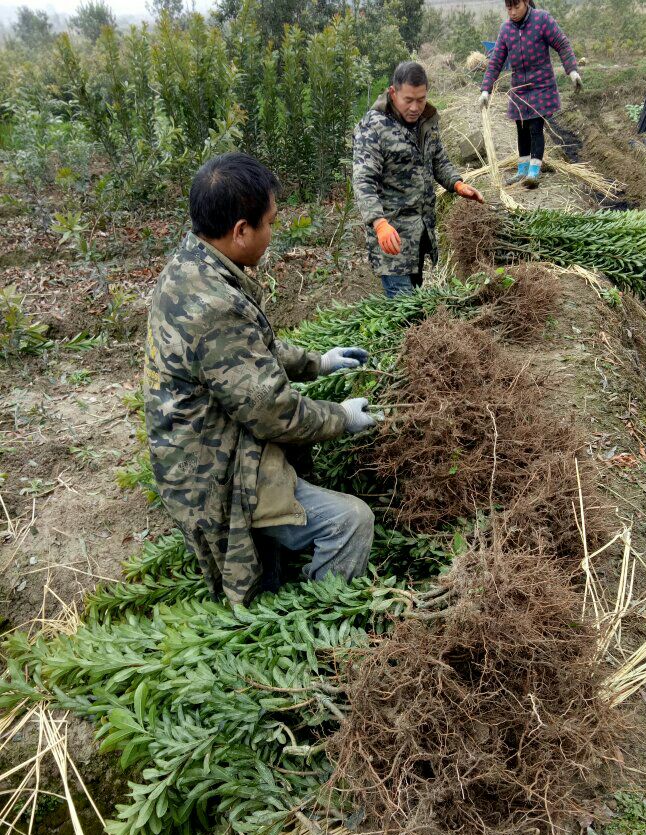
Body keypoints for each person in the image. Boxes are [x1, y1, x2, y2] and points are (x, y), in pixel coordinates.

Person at [144, 152, 379, 606]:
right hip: (211, 471)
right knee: (351, 521)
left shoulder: (194, 264)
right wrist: (341, 417)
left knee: (268, 560)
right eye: (269, 223)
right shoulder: (214, 302)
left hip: (204, 440)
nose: (273, 233)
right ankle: (312, 622)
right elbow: (273, 413)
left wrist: (318, 363)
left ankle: (273, 567)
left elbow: (248, 350)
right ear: (241, 231)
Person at [353, 60, 485, 299]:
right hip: (392, 238)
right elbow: (363, 181)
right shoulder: (373, 127)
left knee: (414, 304)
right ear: (393, 93)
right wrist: (379, 223)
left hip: (420, 235)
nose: (416, 107)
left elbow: (438, 160)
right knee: (404, 314)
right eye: (409, 100)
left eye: (421, 99)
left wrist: (457, 183)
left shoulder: (427, 120)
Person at [478, 0, 581, 189]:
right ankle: (522, 169)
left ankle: (534, 171)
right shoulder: (506, 29)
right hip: (519, 87)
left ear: (526, 2)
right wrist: (485, 89)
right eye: (509, 8)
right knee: (521, 128)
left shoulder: (542, 20)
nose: (513, 12)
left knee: (535, 127)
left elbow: (562, 44)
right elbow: (495, 62)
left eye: (516, 6)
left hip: (541, 84)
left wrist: (572, 71)